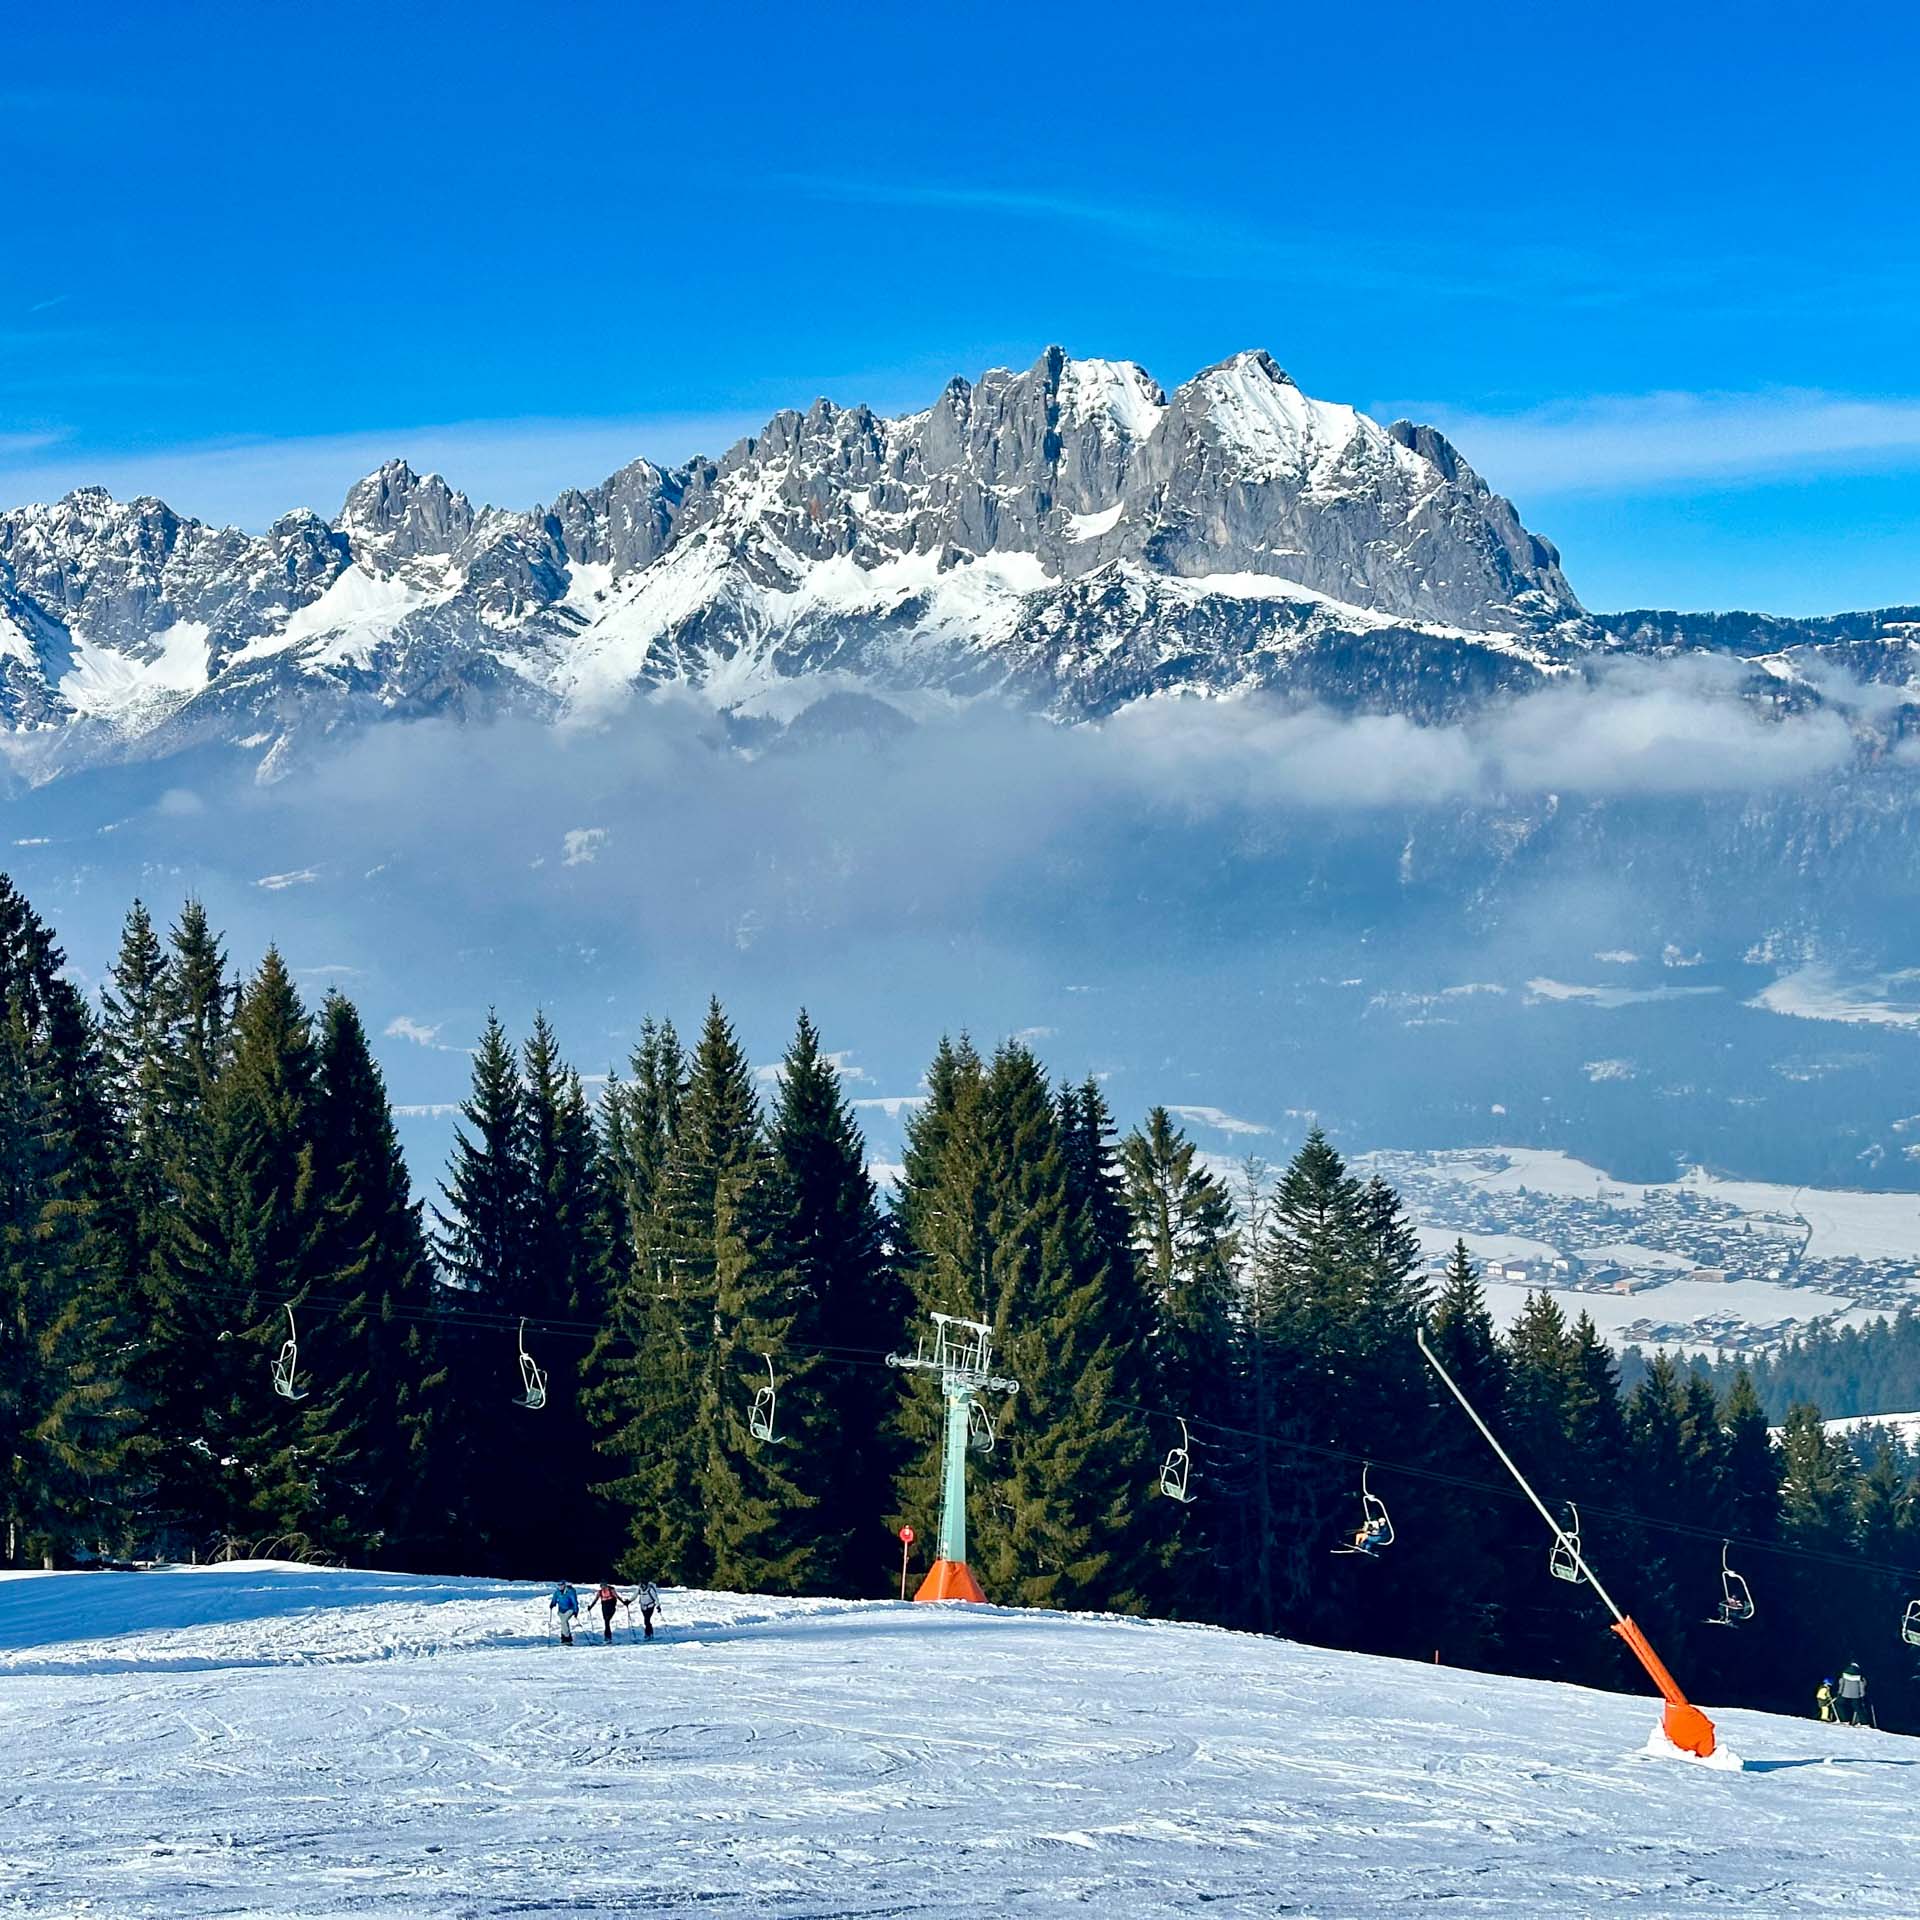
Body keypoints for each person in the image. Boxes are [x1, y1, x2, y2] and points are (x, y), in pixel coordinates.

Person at [549, 1580, 581, 1647]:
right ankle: (564, 1637)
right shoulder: (557, 1592)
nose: (560, 1587)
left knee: (564, 1621)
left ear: (564, 1585)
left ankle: (567, 1638)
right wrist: (552, 1604)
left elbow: (574, 1602)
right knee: (563, 1623)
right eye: (559, 1585)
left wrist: (576, 1611)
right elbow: (554, 1599)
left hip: (570, 1609)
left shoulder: (570, 1592)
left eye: (561, 1585)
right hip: (561, 1610)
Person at [1837, 1661, 1869, 1726]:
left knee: (1839, 1704)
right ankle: (1864, 1723)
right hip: (1856, 1695)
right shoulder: (1860, 1674)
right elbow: (1861, 1685)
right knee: (1858, 1708)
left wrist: (1840, 1692)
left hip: (1845, 1693)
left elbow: (1841, 1683)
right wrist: (1862, 1694)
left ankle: (1844, 1720)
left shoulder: (1845, 1673)